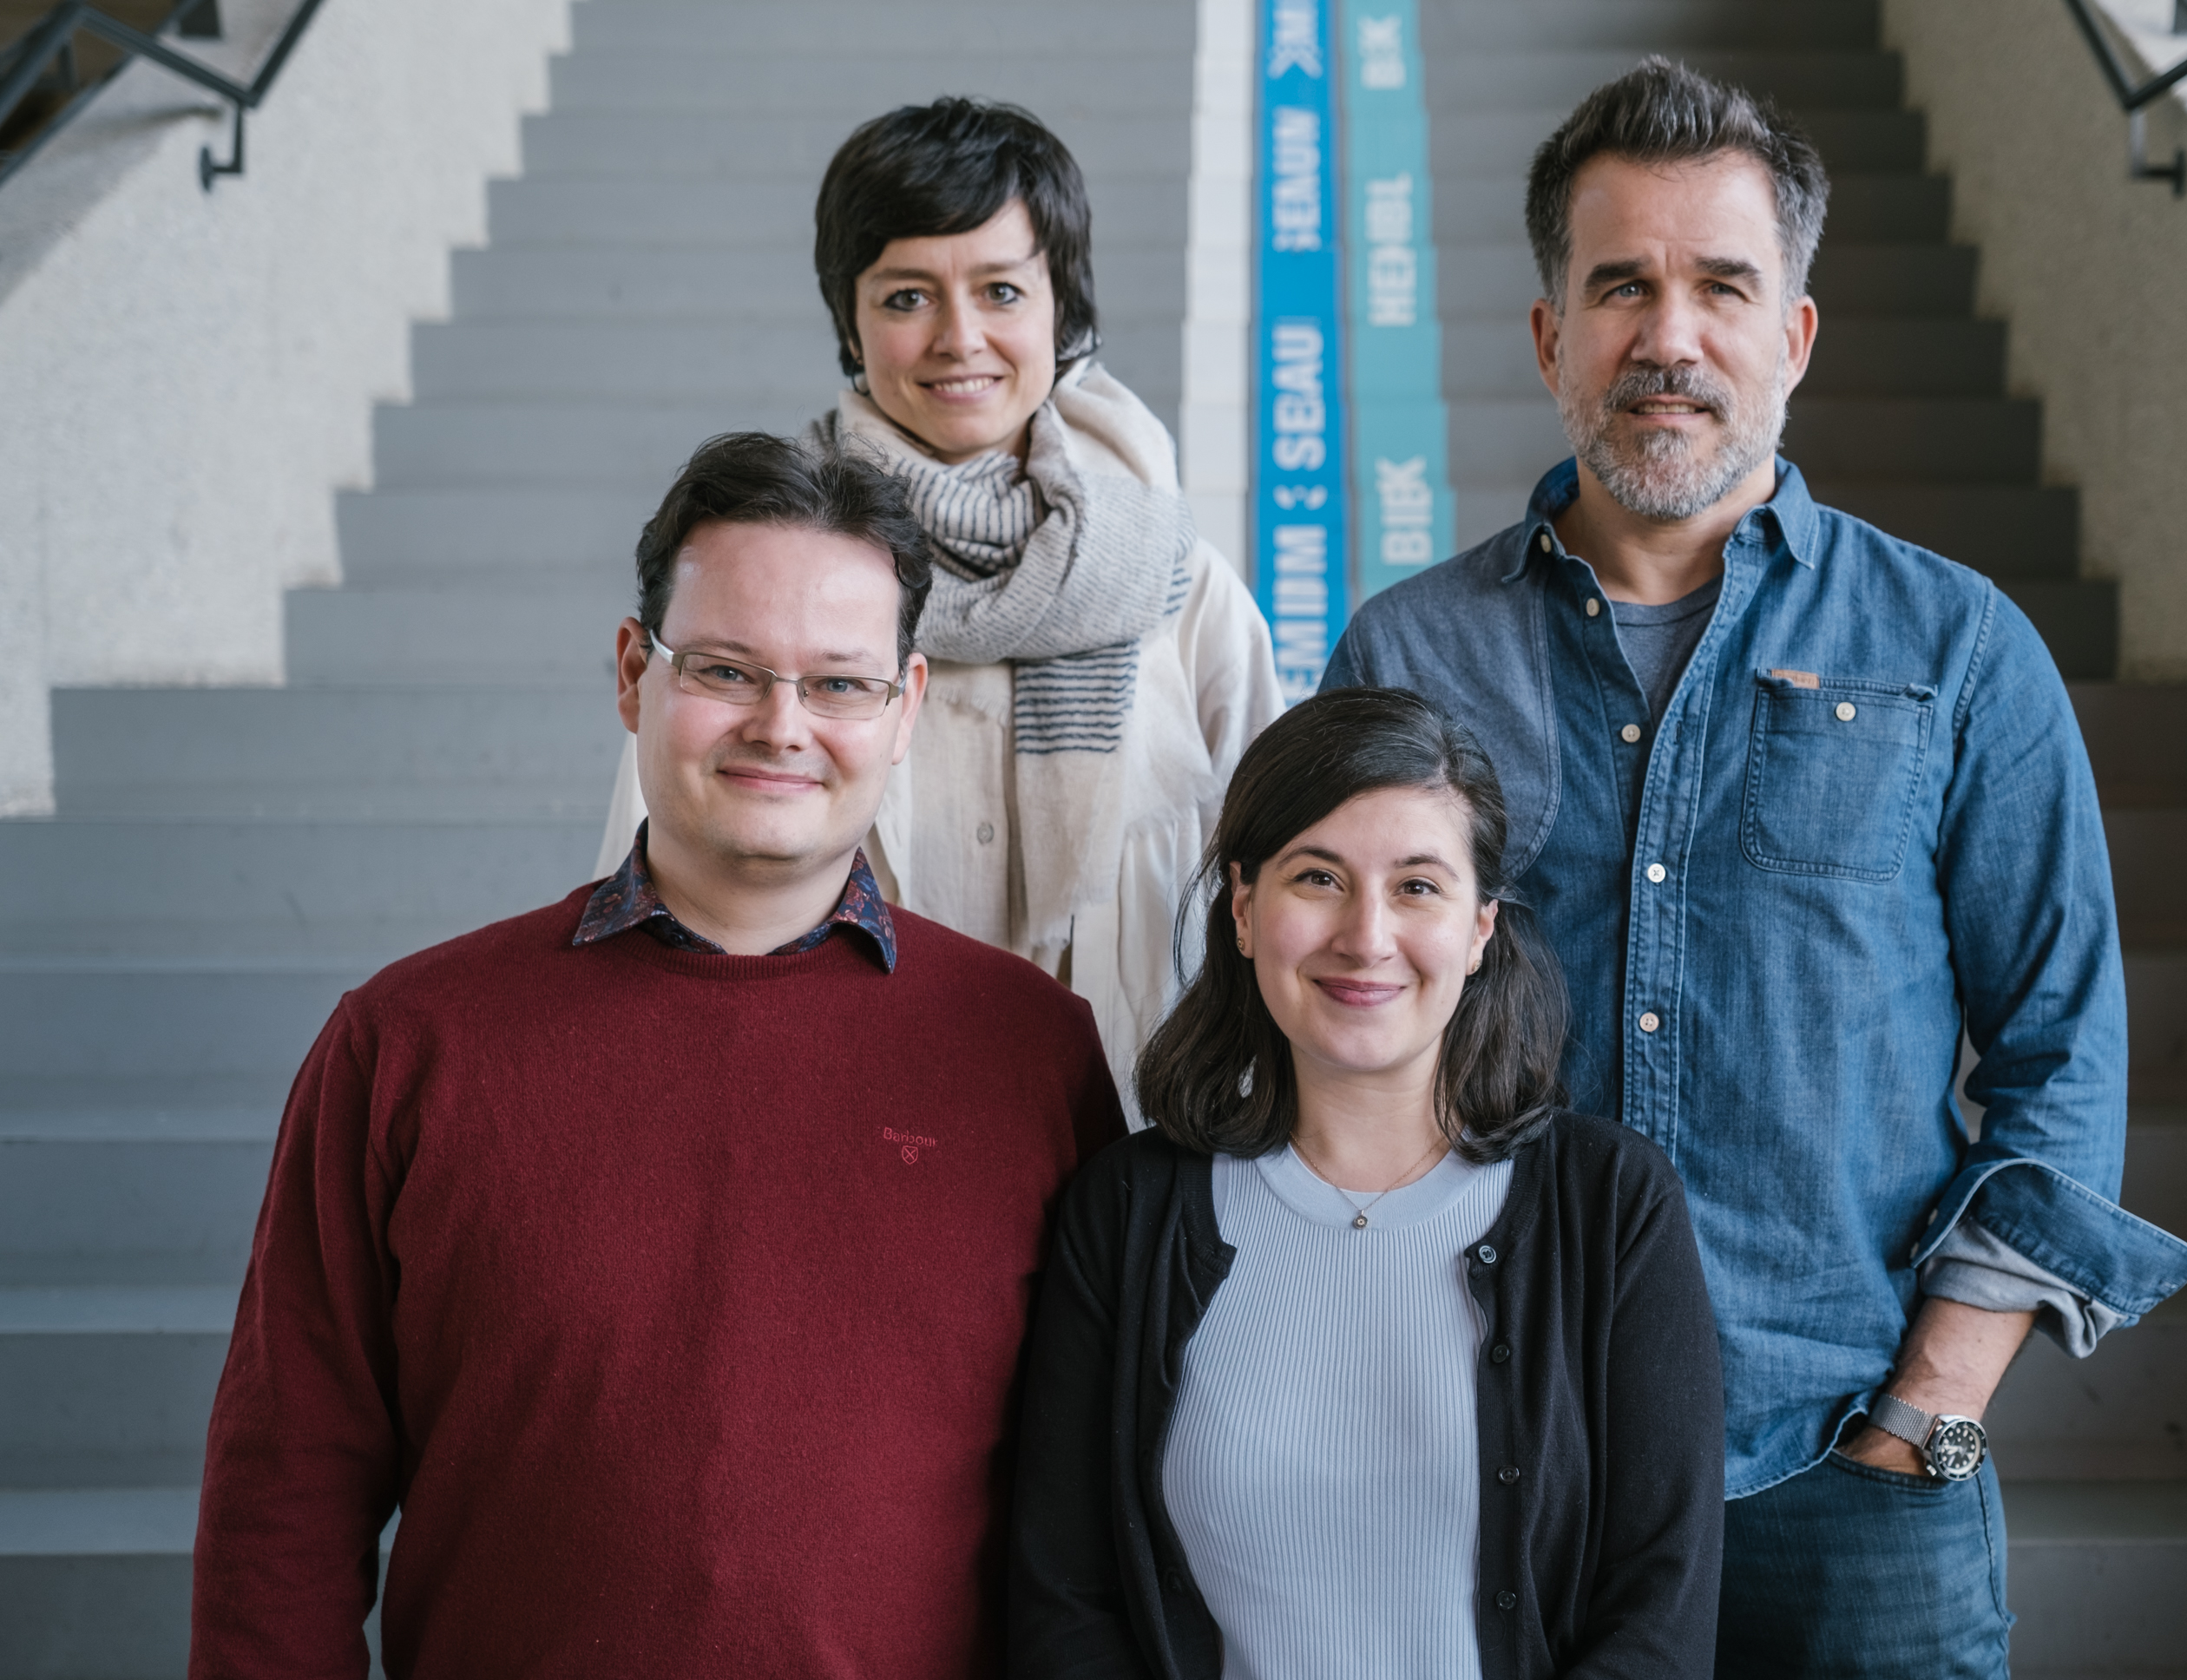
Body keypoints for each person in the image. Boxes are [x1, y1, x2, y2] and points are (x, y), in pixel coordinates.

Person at [1321, 61, 2187, 1677]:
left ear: (1792, 335)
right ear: (1549, 337)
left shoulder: (1958, 648)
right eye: (1621, 288)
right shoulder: (1411, 655)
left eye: (1722, 287)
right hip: (1501, 1469)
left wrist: (1931, 1408)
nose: (1670, 336)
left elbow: (2063, 1049)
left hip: (1855, 1475)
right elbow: (1336, 1045)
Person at [191, 434, 1126, 1677]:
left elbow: (1092, 1518)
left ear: (905, 708)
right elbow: (284, 1494)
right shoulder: (410, 1045)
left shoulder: (1032, 1054)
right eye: (726, 670)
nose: (781, 726)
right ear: (635, 672)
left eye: (838, 684)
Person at [1009, 686, 1725, 1680]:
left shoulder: (1611, 1205)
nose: (1367, 935)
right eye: (1319, 877)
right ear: (1245, 909)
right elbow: (1064, 1598)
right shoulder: (1127, 1211)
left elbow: (1661, 1610)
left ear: (1480, 928)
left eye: (1418, 886)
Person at [597, 99, 1280, 1105]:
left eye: (1001, 290)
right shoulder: (758, 571)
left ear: (1061, 306)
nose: (960, 339)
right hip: (829, 1109)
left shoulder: (1177, 583)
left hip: (1135, 1121)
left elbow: (1280, 868)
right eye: (907, 296)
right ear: (851, 319)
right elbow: (649, 865)